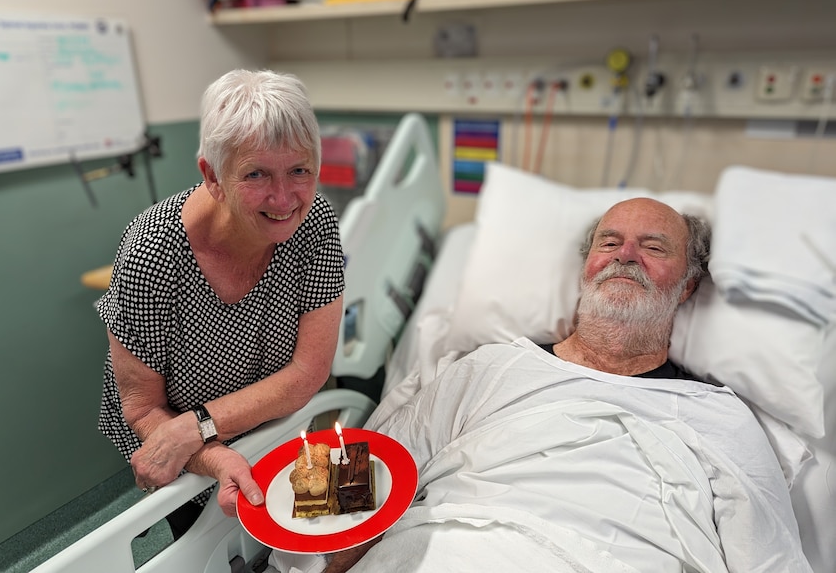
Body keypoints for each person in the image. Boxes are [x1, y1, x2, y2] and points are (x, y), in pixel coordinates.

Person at [319, 197, 810, 572]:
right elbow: (369, 469)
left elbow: (770, 558)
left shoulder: (719, 416)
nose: (627, 256)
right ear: (586, 269)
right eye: (610, 243)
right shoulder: (488, 367)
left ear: (687, 286)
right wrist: (315, 548)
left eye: (654, 247)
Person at [96, 68, 344, 538]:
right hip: (170, 429)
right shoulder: (152, 254)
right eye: (255, 174)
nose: (284, 197)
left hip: (253, 421)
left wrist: (200, 426)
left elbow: (309, 371)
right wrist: (206, 448)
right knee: (201, 541)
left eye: (300, 170)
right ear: (212, 176)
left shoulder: (314, 225)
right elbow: (142, 409)